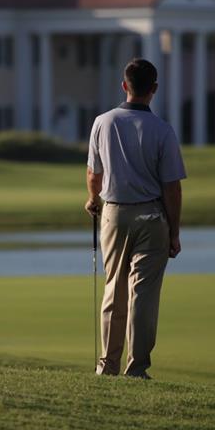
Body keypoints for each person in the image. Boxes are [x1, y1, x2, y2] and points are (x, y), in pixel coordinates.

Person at [85, 58, 186, 379]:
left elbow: (93, 173)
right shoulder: (163, 130)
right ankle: (137, 367)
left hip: (114, 212)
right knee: (143, 295)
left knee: (114, 288)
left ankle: (107, 365)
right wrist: (174, 232)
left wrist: (92, 200)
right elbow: (172, 187)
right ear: (154, 89)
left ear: (124, 86)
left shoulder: (103, 121)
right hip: (152, 215)